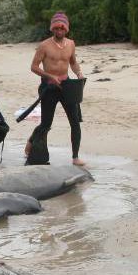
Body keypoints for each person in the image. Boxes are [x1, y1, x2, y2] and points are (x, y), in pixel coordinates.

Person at [26, 11, 86, 166]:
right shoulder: (44, 46)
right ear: (52, 29)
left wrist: (79, 73)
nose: (59, 31)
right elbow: (33, 67)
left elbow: (72, 62)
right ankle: (32, 140)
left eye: (62, 29)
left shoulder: (71, 44)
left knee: (75, 122)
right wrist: (49, 76)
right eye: (56, 29)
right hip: (49, 87)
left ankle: (75, 157)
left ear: (66, 29)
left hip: (67, 86)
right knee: (46, 124)